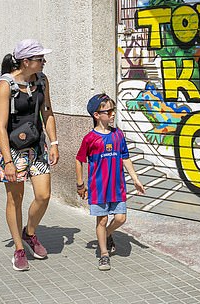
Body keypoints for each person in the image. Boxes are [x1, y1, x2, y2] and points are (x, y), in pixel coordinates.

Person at [0, 39, 59, 271]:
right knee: (15, 199)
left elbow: (47, 111)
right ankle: (19, 248)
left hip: (37, 147)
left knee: (44, 195)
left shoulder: (42, 80)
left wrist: (54, 142)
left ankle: (29, 233)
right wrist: (8, 162)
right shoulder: (6, 85)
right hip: (12, 151)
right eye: (40, 59)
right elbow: (1, 126)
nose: (44, 62)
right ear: (26, 61)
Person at [76, 93, 145, 271]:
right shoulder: (90, 138)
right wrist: (80, 184)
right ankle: (104, 254)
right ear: (97, 115)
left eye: (113, 110)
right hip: (98, 187)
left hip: (117, 185)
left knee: (121, 218)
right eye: (109, 111)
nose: (113, 114)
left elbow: (125, 157)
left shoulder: (118, 135)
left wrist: (135, 179)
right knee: (102, 219)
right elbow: (79, 159)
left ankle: (106, 234)